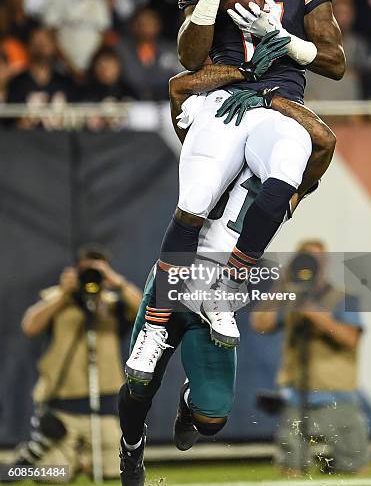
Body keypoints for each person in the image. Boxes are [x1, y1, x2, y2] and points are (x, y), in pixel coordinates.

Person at [129, 0, 345, 382]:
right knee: (196, 202)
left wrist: (285, 38)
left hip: (276, 104)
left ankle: (223, 291)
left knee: (286, 174)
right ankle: (154, 330)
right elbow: (189, 60)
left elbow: (335, 62)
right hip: (224, 100)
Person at [118, 65, 337, 486]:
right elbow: (179, 88)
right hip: (173, 280)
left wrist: (273, 99)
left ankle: (188, 403)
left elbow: (324, 142)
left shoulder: (281, 183)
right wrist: (240, 76)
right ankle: (131, 448)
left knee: (212, 419)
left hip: (218, 298)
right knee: (140, 383)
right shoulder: (216, 131)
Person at [17, 245, 141, 481]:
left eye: (98, 271)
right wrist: (64, 294)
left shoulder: (114, 302)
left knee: (115, 472)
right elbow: (30, 326)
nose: (91, 277)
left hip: (105, 406)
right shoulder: (55, 297)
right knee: (52, 475)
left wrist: (118, 282)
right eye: (86, 271)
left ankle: (84, 459)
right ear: (74, 270)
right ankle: (62, 459)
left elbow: (145, 314)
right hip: (62, 407)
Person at [250, 239, 371, 475]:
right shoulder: (288, 297)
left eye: (317, 258)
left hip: (336, 393)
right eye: (306, 258)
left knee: (355, 467)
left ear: (324, 263)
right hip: (296, 394)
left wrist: (319, 316)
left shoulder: (342, 297)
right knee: (291, 467)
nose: (312, 264)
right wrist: (283, 287)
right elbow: (260, 324)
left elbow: (351, 339)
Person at [42, 0, 111, 78]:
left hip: (94, 69)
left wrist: (94, 63)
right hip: (63, 69)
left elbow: (104, 34)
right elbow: (50, 34)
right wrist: (69, 66)